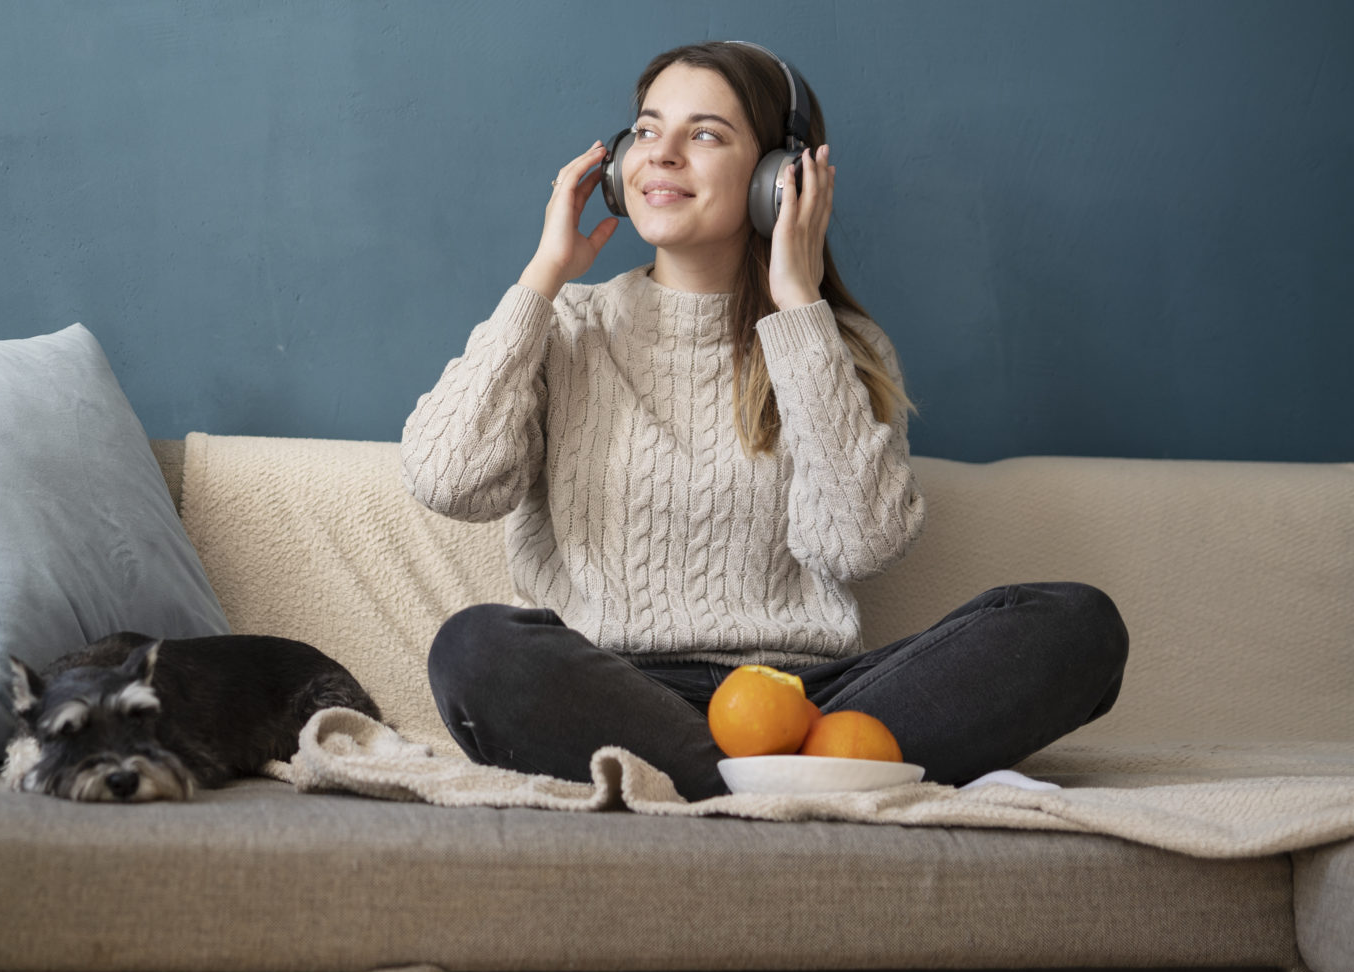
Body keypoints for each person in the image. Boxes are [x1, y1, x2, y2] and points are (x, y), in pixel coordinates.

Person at [405, 41, 1128, 799]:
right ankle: (797, 789)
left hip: (806, 702)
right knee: (475, 650)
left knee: (1078, 626)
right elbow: (448, 480)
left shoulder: (833, 343)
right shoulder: (567, 328)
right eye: (647, 131)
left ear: (779, 179)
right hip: (615, 692)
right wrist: (543, 275)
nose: (663, 155)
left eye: (706, 134)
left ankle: (721, 785)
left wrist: (798, 307)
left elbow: (858, 543)